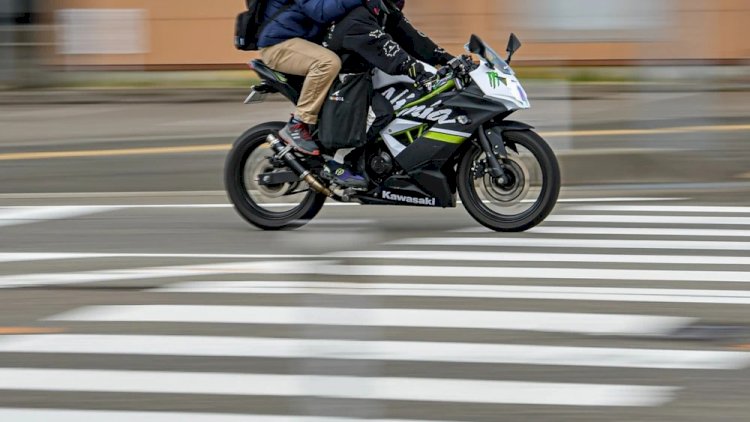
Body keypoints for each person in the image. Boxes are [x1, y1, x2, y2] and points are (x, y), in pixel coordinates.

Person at [257, 0, 362, 157]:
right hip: (278, 44)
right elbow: (319, 12)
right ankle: (298, 123)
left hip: (300, 41)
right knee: (327, 63)